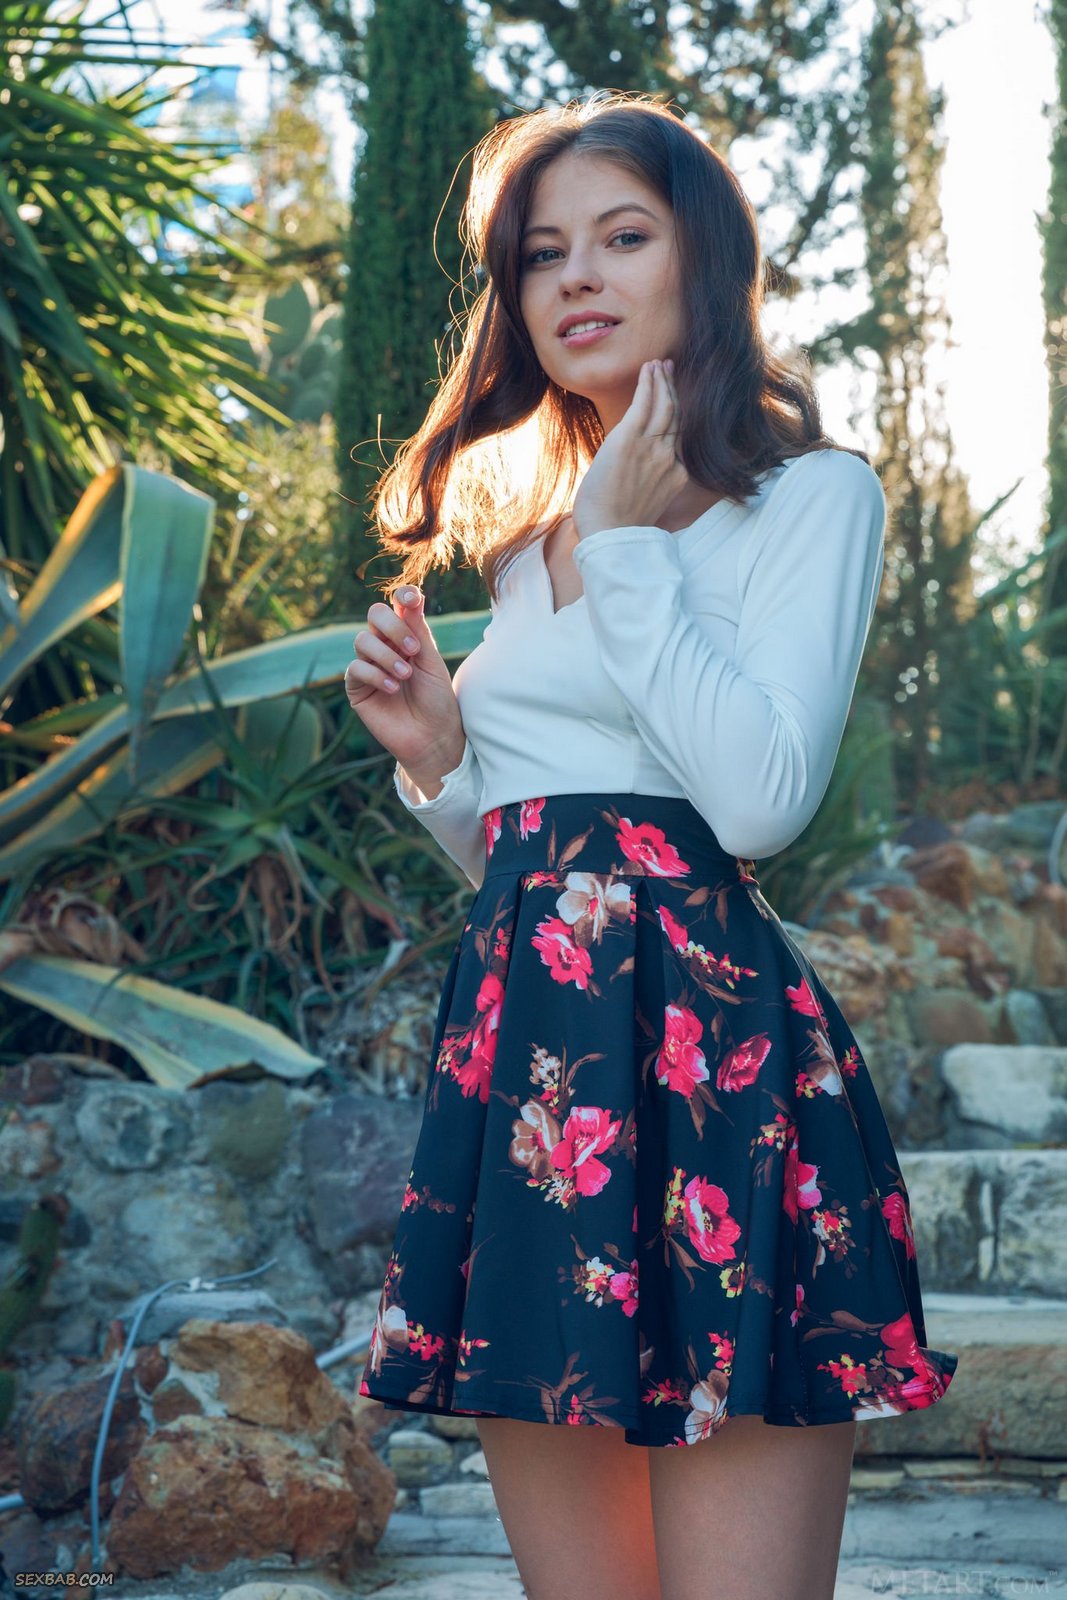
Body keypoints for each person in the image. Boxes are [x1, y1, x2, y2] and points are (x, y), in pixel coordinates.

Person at [344, 91, 958, 1600]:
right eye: (542, 253)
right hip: (534, 1087)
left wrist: (627, 549)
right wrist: (439, 762)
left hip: (717, 1076)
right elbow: (542, 874)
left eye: (623, 236)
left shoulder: (808, 498)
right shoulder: (526, 548)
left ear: (706, 261)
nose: (577, 277)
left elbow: (754, 806)